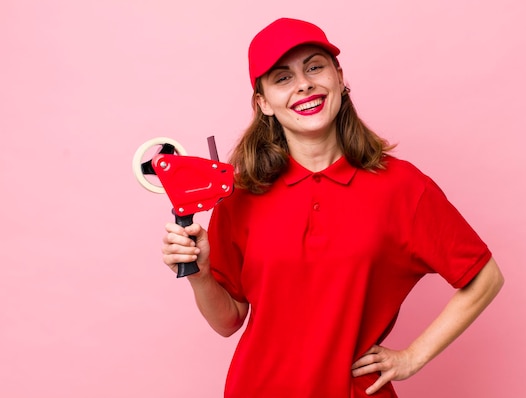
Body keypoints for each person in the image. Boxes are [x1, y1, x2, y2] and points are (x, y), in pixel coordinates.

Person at [161, 17, 504, 398]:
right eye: (282, 77)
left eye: (314, 66)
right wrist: (200, 272)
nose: (304, 83)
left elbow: (485, 278)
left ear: (339, 77)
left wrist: (413, 357)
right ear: (264, 104)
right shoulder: (241, 195)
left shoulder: (402, 187)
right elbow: (228, 321)